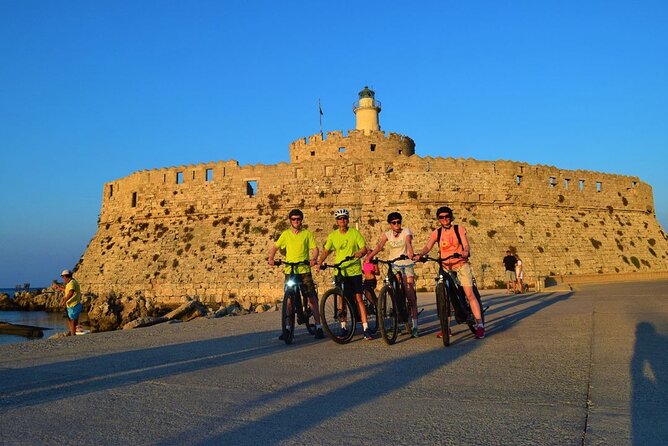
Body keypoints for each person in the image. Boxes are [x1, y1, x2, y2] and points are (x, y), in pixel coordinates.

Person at [413, 206, 485, 339]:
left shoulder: (459, 229)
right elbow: (428, 246)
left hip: (460, 264)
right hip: (445, 266)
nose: (444, 219)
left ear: (451, 217)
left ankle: (480, 325)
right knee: (445, 298)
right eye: (441, 217)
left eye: (447, 216)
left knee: (469, 294)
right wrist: (420, 255)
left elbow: (466, 244)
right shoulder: (437, 233)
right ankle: (446, 328)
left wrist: (465, 252)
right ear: (438, 219)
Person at [316, 208, 373, 340]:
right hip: (340, 271)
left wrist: (359, 253)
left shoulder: (354, 233)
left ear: (347, 220)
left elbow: (364, 248)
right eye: (340, 218)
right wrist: (320, 262)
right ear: (337, 221)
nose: (342, 220)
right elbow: (326, 250)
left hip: (354, 271)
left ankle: (366, 328)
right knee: (342, 299)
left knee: (358, 298)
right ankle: (344, 328)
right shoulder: (333, 236)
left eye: (344, 218)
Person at [268, 209, 324, 339]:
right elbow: (275, 247)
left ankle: (318, 326)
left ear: (301, 220)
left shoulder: (307, 234)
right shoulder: (286, 234)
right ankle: (287, 328)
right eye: (293, 219)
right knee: (288, 300)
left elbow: (315, 249)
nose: (296, 221)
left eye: (298, 219)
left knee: (311, 298)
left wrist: (314, 259)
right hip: (290, 270)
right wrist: (271, 258)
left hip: (304, 270)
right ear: (290, 221)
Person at [365, 212, 419, 337]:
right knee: (394, 290)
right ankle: (397, 314)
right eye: (394, 222)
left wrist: (410, 251)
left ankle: (415, 325)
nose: (397, 224)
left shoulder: (406, 231)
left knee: (409, 292)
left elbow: (408, 241)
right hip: (393, 265)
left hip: (406, 263)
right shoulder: (387, 234)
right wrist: (370, 256)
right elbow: (379, 246)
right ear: (390, 224)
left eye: (398, 222)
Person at [52, 269, 82, 336]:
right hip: (73, 305)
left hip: (74, 305)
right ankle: (73, 334)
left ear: (66, 276)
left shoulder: (72, 283)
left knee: (72, 322)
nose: (63, 279)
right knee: (71, 321)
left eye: (63, 277)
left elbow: (71, 292)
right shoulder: (71, 282)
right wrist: (59, 288)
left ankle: (73, 336)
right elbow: (67, 290)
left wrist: (64, 301)